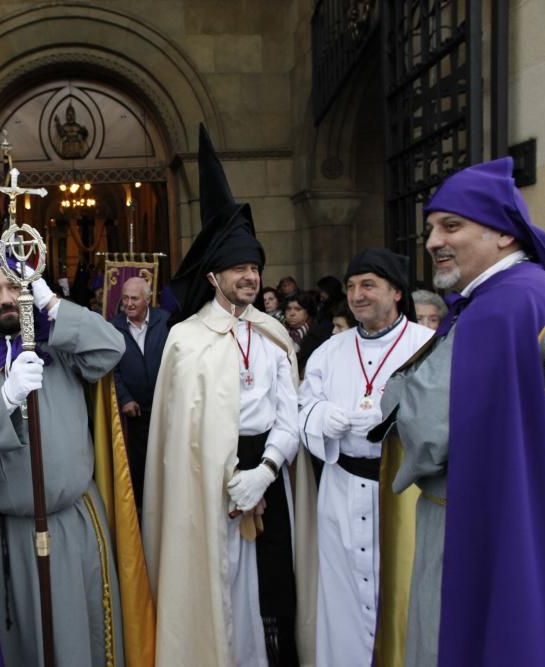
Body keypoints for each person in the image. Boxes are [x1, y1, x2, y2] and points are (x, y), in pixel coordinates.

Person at [373, 157, 545, 666]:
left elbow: (428, 434)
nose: (433, 240)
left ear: (504, 234)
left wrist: (394, 399)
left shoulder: (493, 312)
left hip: (476, 527)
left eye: (451, 225)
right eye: (431, 227)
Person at [0, 183, 128, 667]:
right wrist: (6, 398)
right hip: (8, 536)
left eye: (14, 285)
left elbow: (111, 349)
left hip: (76, 523)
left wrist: (52, 304)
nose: (7, 297)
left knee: (83, 645)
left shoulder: (59, 341)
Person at [143, 124, 316, 667]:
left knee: (272, 591)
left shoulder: (272, 333)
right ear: (214, 273)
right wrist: (226, 484)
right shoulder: (184, 340)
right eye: (240, 268)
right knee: (221, 594)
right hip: (207, 488)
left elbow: (290, 414)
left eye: (255, 267)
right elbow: (176, 439)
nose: (250, 276)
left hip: (265, 467)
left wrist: (264, 471)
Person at [298, 249, 433, 667]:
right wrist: (324, 417)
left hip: (404, 493)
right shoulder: (329, 350)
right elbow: (303, 406)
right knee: (342, 598)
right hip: (340, 488)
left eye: (368, 285)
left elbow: (448, 416)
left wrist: (398, 419)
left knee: (405, 592)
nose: (357, 295)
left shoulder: (427, 346)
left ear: (396, 292)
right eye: (352, 286)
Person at [111, 275, 169, 511]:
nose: (129, 303)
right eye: (125, 298)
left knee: (166, 463)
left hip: (166, 410)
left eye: (135, 298)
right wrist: (125, 398)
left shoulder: (166, 322)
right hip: (136, 414)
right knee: (141, 468)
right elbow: (112, 369)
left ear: (148, 299)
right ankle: (145, 513)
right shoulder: (113, 327)